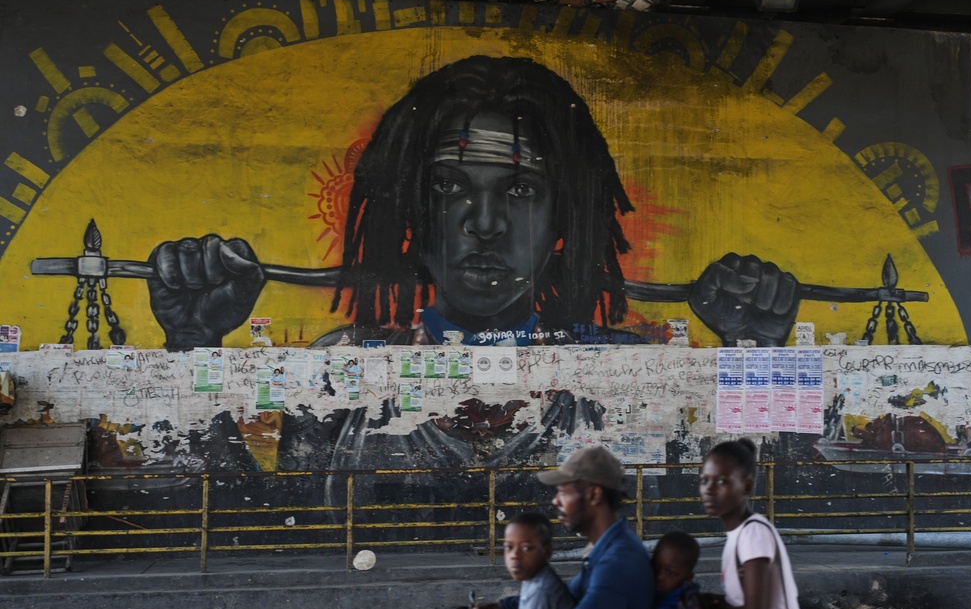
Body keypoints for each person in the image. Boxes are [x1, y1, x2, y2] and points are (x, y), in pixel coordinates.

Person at [145, 55, 800, 351]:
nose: (484, 224)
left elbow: (759, 516)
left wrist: (756, 349)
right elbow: (267, 532)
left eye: (520, 191)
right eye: (447, 187)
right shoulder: (346, 364)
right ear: (409, 211)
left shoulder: (625, 368)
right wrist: (194, 340)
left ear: (565, 219)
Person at [468, 446, 654, 609]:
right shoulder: (607, 548)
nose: (555, 501)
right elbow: (568, 595)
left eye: (563, 493)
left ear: (593, 495)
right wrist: (501, 608)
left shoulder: (618, 561)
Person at [699, 439, 809, 609]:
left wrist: (711, 606)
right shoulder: (739, 534)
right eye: (705, 480)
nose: (709, 489)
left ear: (746, 487)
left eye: (722, 481)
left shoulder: (753, 534)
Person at [488, 511, 578, 609]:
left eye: (526, 548)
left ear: (547, 551)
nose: (515, 556)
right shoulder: (535, 579)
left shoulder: (541, 590)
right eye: (509, 547)